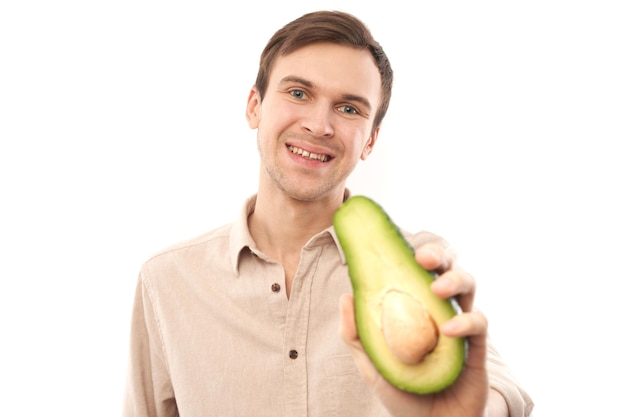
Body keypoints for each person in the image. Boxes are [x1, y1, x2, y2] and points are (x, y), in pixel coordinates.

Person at [123, 10, 534, 417]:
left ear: (370, 141)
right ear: (254, 106)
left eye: (349, 109)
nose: (319, 125)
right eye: (298, 93)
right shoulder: (167, 279)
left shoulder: (419, 259)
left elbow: (497, 387)